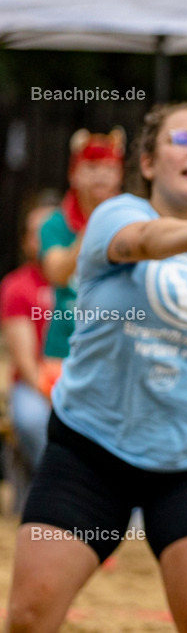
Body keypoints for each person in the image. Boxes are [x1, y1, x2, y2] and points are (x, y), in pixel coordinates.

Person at [5, 102, 187, 633]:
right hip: (90, 449)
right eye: (181, 140)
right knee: (28, 619)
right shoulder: (116, 214)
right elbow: (138, 243)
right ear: (146, 162)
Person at [38, 128, 124, 361]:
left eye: (110, 168)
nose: (102, 175)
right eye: (92, 167)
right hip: (63, 351)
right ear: (73, 174)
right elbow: (56, 273)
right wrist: (95, 226)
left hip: (115, 351)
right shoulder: (55, 224)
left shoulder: (133, 221)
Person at [0, 194, 58, 499]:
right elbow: (26, 365)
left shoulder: (88, 282)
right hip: (34, 383)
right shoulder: (17, 287)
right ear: (25, 241)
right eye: (37, 232)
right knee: (34, 418)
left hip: (84, 382)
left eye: (51, 230)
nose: (45, 239)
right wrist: (57, 394)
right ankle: (57, 489)